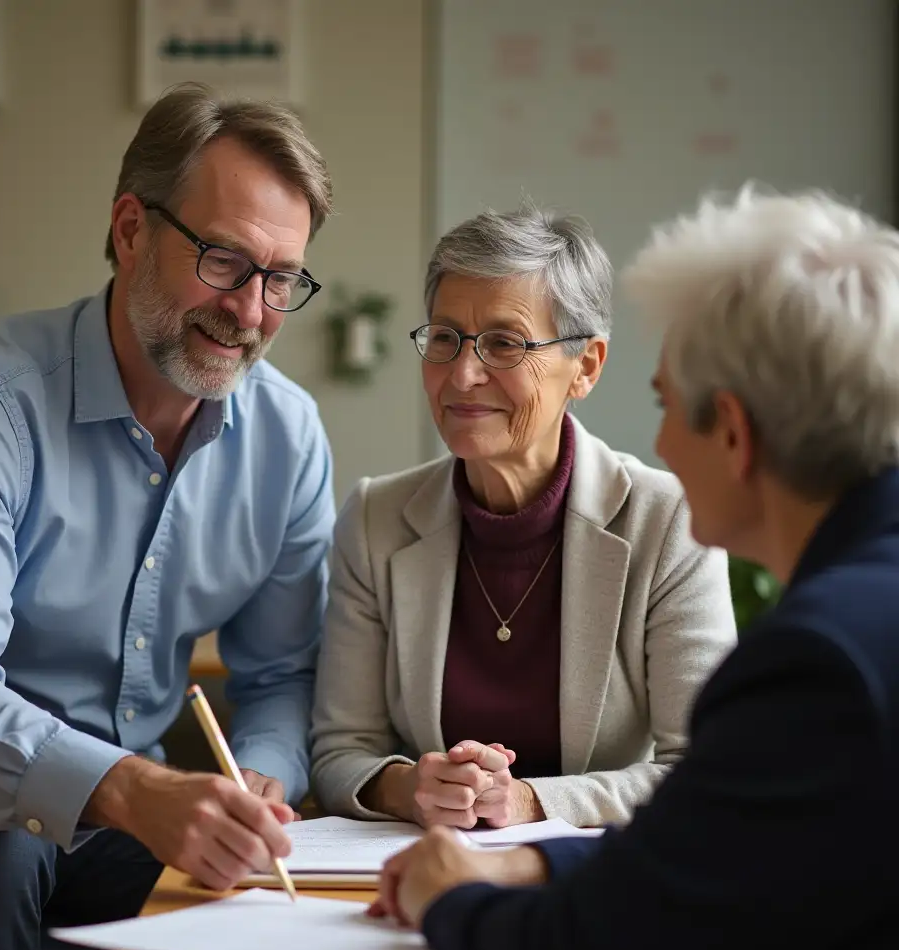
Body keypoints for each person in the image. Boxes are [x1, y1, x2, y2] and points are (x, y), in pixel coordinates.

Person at [372, 187, 899, 950]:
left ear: (732, 430)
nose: (654, 447)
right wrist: (534, 866)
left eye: (664, 404)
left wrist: (444, 899)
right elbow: (722, 849)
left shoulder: (824, 659)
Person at [0, 84, 335, 950]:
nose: (250, 310)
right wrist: (135, 788)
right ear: (130, 230)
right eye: (223, 259)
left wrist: (257, 781)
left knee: (292, 886)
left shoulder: (288, 436)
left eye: (281, 278)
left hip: (120, 810)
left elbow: (284, 673)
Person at [311, 206, 735, 831]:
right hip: (421, 868)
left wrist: (530, 802)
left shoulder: (666, 520)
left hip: (596, 877)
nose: (461, 373)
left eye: (504, 343)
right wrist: (412, 787)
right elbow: (339, 750)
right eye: (445, 337)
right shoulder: (377, 517)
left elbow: (704, 766)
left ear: (586, 366)